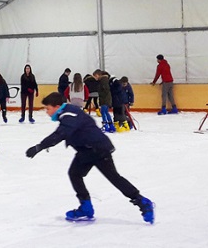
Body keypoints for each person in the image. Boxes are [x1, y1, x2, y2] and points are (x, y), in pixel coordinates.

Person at [25, 92, 155, 224]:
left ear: (57, 106)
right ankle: (87, 207)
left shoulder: (69, 115)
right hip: (88, 150)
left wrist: (39, 146)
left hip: (97, 149)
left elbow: (62, 133)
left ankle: (142, 202)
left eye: (48, 108)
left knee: (112, 178)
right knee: (76, 174)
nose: (46, 112)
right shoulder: (68, 112)